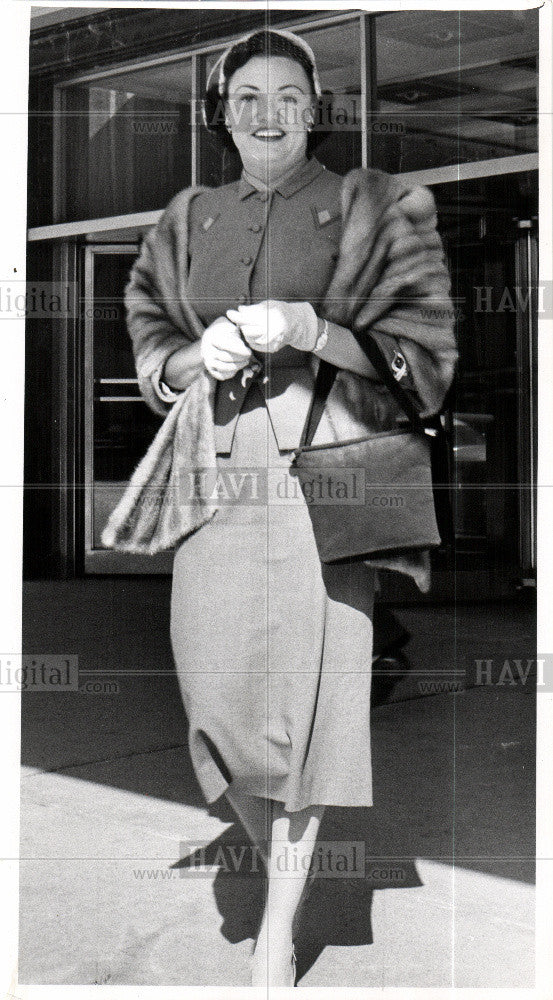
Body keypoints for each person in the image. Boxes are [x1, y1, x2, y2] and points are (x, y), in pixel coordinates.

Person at [124, 28, 456, 986]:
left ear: (316, 109)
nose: (266, 115)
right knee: (219, 709)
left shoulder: (381, 206)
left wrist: (315, 330)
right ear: (221, 114)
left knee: (310, 719)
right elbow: (153, 353)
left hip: (332, 490)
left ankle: (279, 928)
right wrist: (195, 359)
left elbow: (423, 367)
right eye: (245, 98)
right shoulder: (185, 219)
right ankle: (275, 875)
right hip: (219, 487)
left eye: (287, 96)